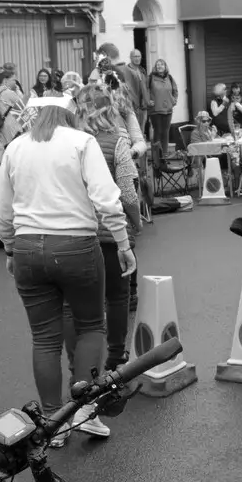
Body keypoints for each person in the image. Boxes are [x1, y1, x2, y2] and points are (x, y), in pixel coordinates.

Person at [0, 103, 135, 445]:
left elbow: (3, 210)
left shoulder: (15, 146)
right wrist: (122, 241)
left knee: (44, 338)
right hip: (76, 244)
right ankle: (85, 413)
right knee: (90, 326)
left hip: (28, 247)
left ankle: (50, 422)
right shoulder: (81, 142)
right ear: (68, 114)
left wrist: (10, 248)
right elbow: (107, 199)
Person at [73, 85, 142, 379]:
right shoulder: (117, 140)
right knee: (117, 296)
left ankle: (82, 365)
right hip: (111, 231)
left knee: (82, 303)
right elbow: (128, 192)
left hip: (77, 231)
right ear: (109, 108)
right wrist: (136, 223)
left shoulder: (68, 142)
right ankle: (116, 357)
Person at [146, 58, 179, 159]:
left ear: (165, 67)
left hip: (168, 109)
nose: (160, 66)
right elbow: (145, 90)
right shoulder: (151, 77)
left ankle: (164, 155)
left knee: (165, 132)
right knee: (158, 131)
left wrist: (174, 101)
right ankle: (157, 156)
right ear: (155, 67)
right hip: (155, 110)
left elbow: (175, 90)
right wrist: (148, 100)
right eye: (158, 65)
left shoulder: (169, 77)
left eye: (162, 64)